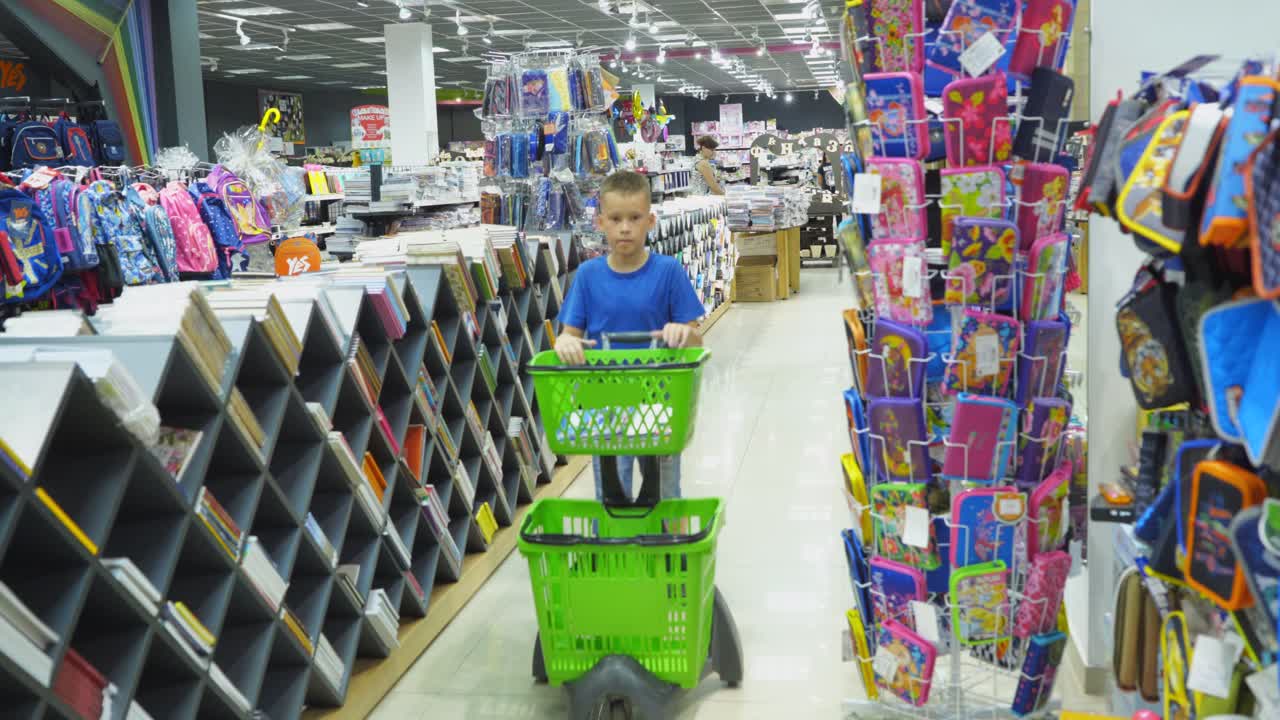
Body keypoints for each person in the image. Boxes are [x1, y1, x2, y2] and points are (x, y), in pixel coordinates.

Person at [555, 170, 706, 501]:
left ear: (650, 221)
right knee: (611, 493)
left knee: (665, 492)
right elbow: (569, 335)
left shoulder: (668, 271)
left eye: (635, 218)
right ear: (600, 223)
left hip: (660, 397)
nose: (625, 228)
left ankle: (667, 536)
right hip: (603, 399)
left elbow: (697, 339)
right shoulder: (588, 275)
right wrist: (565, 343)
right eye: (615, 219)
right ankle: (614, 536)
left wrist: (683, 332)